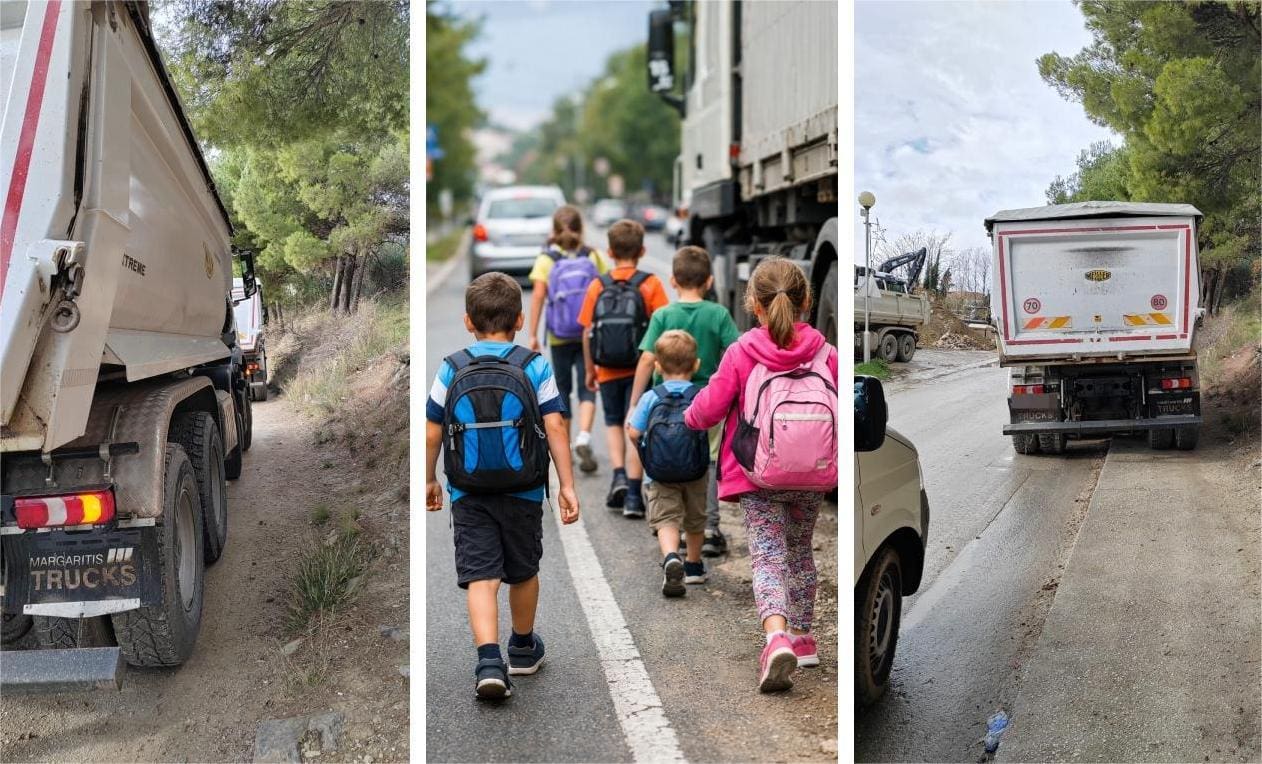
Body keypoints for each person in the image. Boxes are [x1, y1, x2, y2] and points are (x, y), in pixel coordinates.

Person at [683, 257, 838, 693]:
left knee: (768, 556)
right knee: (801, 550)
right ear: (807, 300)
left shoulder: (743, 352)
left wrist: (689, 418)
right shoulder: (827, 355)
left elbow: (710, 407)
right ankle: (804, 639)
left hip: (758, 475)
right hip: (814, 474)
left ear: (754, 303)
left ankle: (776, 638)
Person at [425, 273, 580, 700]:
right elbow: (554, 424)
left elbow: (432, 431)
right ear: (519, 318)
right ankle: (523, 648)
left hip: (469, 492)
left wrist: (428, 479)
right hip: (524, 488)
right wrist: (566, 484)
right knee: (523, 570)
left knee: (482, 575)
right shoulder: (533, 364)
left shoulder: (451, 367)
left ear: (467, 321)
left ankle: (489, 661)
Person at [627, 246, 740, 557]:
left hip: (662, 403)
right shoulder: (718, 314)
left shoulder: (664, 315)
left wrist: (635, 403)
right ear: (709, 281)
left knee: (666, 455)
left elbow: (648, 358)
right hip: (709, 403)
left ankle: (668, 525)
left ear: (673, 280)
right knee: (708, 463)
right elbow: (735, 354)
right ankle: (710, 529)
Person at [578, 219, 669, 518]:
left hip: (606, 369)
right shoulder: (651, 284)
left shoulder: (597, 285)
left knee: (614, 423)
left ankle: (617, 474)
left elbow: (587, 331)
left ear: (609, 251)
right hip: (639, 370)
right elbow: (663, 329)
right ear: (642, 250)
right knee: (637, 427)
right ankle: (632, 494)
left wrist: (590, 368)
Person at [626, 330, 711, 597]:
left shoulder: (652, 397)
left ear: (658, 366)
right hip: (696, 471)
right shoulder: (700, 395)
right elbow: (712, 424)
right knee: (695, 519)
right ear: (696, 364)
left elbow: (633, 431)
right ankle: (694, 566)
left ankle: (672, 556)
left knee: (666, 518)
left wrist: (645, 451)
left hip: (660, 472)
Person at [526, 205, 607, 474]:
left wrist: (533, 334)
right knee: (588, 385)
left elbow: (538, 296)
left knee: (561, 389)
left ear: (554, 230)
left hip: (559, 335)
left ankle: (568, 445)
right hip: (588, 334)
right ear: (581, 229)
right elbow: (603, 290)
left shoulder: (546, 259)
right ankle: (584, 435)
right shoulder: (592, 256)